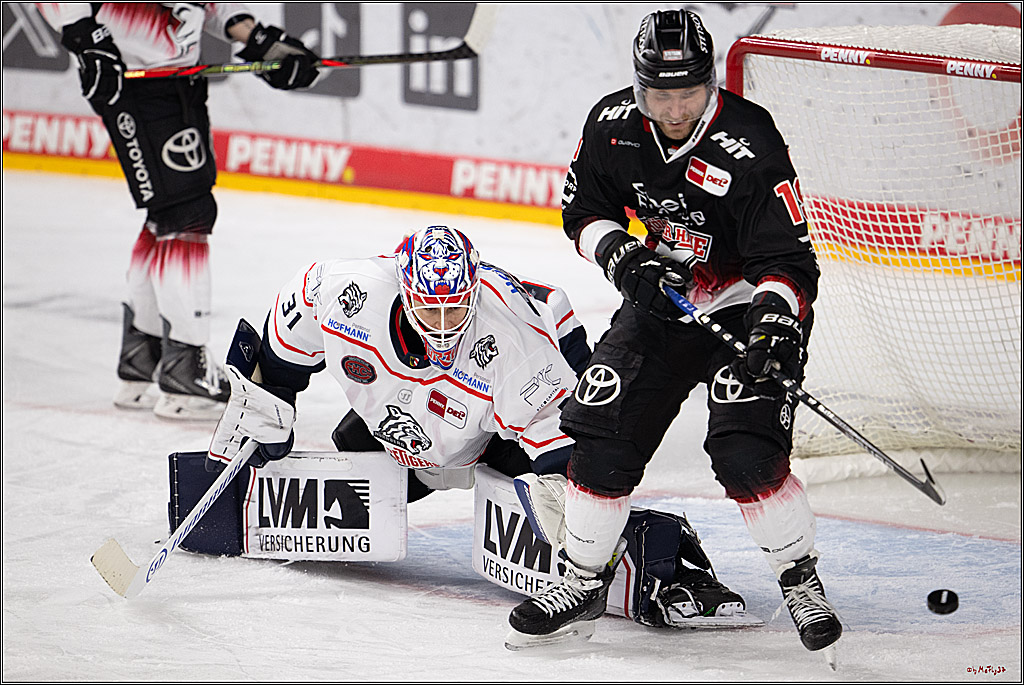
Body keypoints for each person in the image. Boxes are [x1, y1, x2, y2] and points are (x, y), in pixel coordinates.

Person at [203, 225, 750, 629]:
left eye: (455, 309)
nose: (444, 326)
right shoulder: (340, 291)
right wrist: (266, 411)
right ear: (402, 289)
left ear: (474, 293)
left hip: (501, 430)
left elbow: (563, 452)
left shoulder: (511, 344)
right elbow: (278, 352)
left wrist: (588, 525)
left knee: (552, 493)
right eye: (430, 310)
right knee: (353, 446)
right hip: (406, 428)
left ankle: (658, 559)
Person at [507, 9, 842, 657]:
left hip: (746, 309)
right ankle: (581, 580)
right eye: (661, 93)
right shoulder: (612, 127)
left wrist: (776, 319)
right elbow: (584, 210)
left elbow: (789, 259)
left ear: (710, 82)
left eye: (688, 90)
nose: (675, 106)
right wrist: (624, 258)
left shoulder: (750, 140)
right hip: (664, 300)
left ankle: (801, 579)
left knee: (745, 451)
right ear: (639, 87)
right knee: (602, 432)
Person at [37, 3, 321, 420]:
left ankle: (143, 361)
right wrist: (84, 36)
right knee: (186, 215)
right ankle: (185, 371)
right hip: (134, 84)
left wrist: (262, 42)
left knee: (167, 216)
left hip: (177, 83)